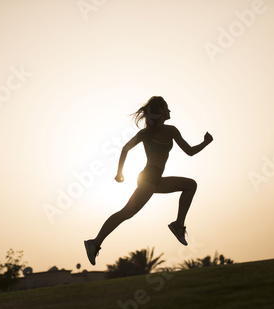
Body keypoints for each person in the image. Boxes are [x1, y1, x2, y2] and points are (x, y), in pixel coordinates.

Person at [84, 96, 213, 265]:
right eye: (166, 107)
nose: (169, 110)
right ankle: (94, 243)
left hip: (152, 178)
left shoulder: (149, 133)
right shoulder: (166, 131)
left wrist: (119, 173)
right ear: (160, 111)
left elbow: (125, 148)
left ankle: (178, 225)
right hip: (150, 177)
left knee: (190, 185)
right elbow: (189, 151)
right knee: (127, 212)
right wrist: (206, 142)